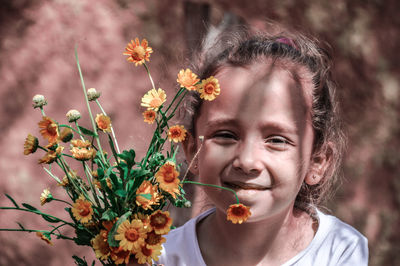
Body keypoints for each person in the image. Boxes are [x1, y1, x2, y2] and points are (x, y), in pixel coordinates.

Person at [157, 28, 369, 265]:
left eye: (277, 140)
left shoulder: (338, 251)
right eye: (226, 135)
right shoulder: (161, 257)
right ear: (191, 149)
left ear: (317, 160)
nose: (247, 161)